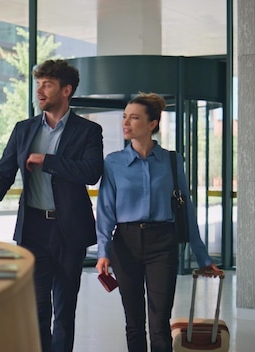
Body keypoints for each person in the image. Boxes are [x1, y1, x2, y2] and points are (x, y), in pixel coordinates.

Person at [0, 59, 104, 352]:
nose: (39, 91)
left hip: (69, 228)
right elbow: (4, 170)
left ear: (66, 90)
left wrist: (49, 162)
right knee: (37, 306)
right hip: (33, 229)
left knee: (64, 307)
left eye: (47, 84)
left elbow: (91, 172)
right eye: (38, 85)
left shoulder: (87, 131)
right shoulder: (24, 129)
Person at [95, 92, 222, 352]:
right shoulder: (114, 163)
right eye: (124, 117)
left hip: (163, 242)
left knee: (159, 321)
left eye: (134, 118)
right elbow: (105, 210)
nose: (126, 123)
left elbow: (186, 210)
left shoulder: (173, 162)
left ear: (152, 124)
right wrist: (103, 251)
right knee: (134, 322)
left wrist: (202, 257)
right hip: (125, 244)